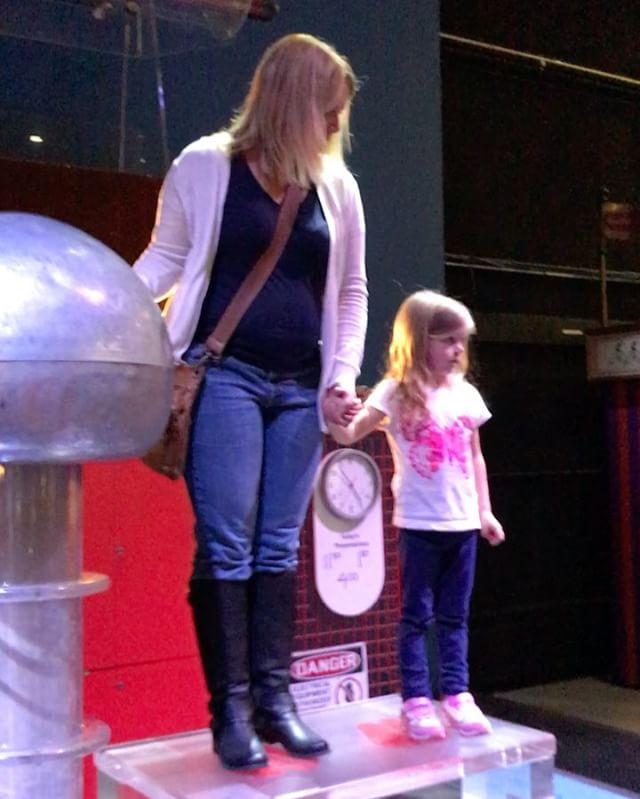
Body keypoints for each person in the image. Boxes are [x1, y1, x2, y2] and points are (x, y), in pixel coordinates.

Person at [133, 34, 367, 769]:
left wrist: (341, 377)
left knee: (277, 545)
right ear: (293, 100)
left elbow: (351, 291)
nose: (336, 126)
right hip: (225, 376)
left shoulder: (337, 186)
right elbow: (165, 262)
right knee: (228, 543)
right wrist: (103, 306)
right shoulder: (205, 166)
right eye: (328, 110)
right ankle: (230, 711)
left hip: (300, 385)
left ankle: (276, 701)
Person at [327, 290, 504, 741]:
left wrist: (484, 511)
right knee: (416, 615)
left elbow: (475, 456)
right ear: (421, 339)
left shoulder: (465, 394)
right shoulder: (394, 391)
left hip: (462, 526)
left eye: (462, 341)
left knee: (455, 615)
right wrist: (335, 413)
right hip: (420, 526)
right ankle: (416, 700)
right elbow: (350, 433)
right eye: (448, 340)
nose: (458, 350)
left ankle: (457, 693)